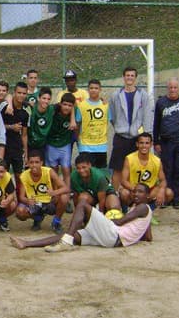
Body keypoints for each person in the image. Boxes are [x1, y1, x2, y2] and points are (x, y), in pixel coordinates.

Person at [10, 183, 153, 252]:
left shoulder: (142, 207)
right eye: (134, 191)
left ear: (147, 195)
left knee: (83, 204)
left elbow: (121, 222)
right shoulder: (145, 210)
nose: (135, 194)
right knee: (71, 234)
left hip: (113, 235)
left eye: (140, 192)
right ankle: (27, 244)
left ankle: (66, 241)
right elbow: (148, 236)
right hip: (114, 240)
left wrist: (106, 219)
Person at [108, 67, 154, 192]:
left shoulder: (143, 95)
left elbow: (146, 115)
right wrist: (119, 127)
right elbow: (112, 115)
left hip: (136, 137)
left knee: (135, 167)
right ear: (124, 77)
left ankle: (136, 194)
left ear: (135, 78)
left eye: (132, 75)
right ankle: (114, 194)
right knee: (117, 168)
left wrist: (147, 134)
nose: (129, 78)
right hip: (121, 136)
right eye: (127, 75)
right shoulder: (116, 95)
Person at [153, 79, 179, 208]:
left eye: (175, 87)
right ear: (167, 88)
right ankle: (167, 196)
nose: (173, 90)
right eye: (170, 87)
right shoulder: (161, 102)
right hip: (166, 142)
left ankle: (176, 198)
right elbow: (156, 123)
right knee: (167, 170)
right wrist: (156, 141)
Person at [16, 150, 69, 232]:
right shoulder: (24, 175)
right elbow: (21, 197)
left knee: (64, 197)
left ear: (41, 163)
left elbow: (66, 188)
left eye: (37, 162)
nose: (34, 165)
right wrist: (27, 200)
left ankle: (56, 222)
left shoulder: (49, 171)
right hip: (35, 203)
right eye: (31, 162)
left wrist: (54, 193)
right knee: (20, 212)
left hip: (49, 202)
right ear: (28, 163)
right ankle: (37, 218)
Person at [120, 133, 170, 210]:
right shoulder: (129, 158)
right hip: (133, 189)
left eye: (147, 143)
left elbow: (163, 180)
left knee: (168, 193)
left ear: (151, 144)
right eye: (141, 143)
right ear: (137, 144)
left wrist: (162, 190)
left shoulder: (157, 161)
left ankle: (149, 210)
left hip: (149, 191)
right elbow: (123, 181)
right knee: (124, 193)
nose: (144, 146)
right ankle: (127, 210)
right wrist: (137, 191)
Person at [76, 79, 110, 170]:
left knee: (101, 173)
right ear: (88, 90)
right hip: (86, 146)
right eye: (91, 88)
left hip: (101, 146)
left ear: (100, 90)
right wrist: (77, 139)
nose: (93, 90)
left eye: (96, 88)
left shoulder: (106, 105)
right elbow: (78, 123)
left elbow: (111, 121)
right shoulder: (81, 106)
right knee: (86, 172)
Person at [45, 93, 76, 192]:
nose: (67, 107)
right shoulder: (54, 110)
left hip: (65, 144)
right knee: (53, 170)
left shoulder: (74, 113)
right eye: (65, 104)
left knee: (66, 169)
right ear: (60, 104)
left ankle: (67, 191)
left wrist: (72, 117)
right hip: (51, 144)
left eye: (70, 106)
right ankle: (55, 191)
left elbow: (76, 108)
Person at [0, 81, 30, 178]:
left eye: (24, 93)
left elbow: (24, 134)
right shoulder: (5, 106)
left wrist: (26, 152)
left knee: (19, 176)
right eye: (19, 93)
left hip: (17, 148)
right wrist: (11, 127)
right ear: (14, 92)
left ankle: (19, 193)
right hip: (4, 147)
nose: (21, 95)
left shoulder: (25, 112)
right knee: (4, 175)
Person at [27, 87, 53, 159]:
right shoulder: (31, 109)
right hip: (29, 143)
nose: (46, 101)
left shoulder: (52, 109)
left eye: (48, 99)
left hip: (43, 144)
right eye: (44, 98)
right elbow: (10, 97)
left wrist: (72, 119)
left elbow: (69, 102)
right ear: (38, 98)